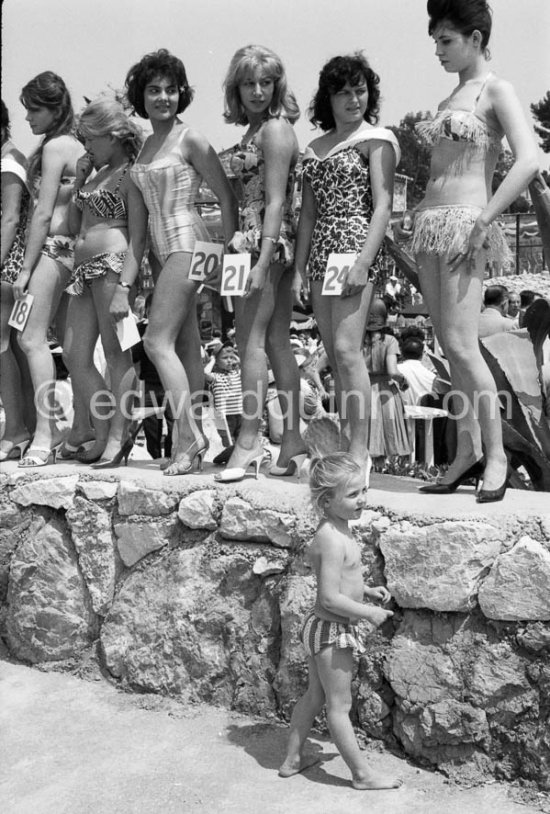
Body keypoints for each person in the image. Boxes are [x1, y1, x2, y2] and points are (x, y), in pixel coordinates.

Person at [396, 0, 538, 502]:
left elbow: (529, 160)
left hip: (465, 223)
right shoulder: (453, 94)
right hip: (432, 224)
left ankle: (497, 455)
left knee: (461, 345)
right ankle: (467, 451)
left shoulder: (496, 88)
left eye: (447, 40)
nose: (437, 50)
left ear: (476, 39)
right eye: (435, 40)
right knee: (448, 345)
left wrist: (485, 219)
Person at [109, 49, 238, 475]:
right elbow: (139, 233)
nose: (163, 97)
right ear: (141, 96)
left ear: (181, 94)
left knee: (154, 342)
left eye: (170, 89)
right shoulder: (144, 149)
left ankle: (187, 435)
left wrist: (233, 248)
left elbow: (225, 196)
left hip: (192, 241)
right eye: (154, 90)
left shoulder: (191, 139)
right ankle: (194, 436)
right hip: (164, 251)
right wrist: (127, 286)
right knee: (185, 345)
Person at [295, 53, 399, 475]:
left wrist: (364, 260)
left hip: (355, 244)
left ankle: (361, 451)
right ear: (329, 98)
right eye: (343, 92)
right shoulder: (314, 148)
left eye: (360, 90)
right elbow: (307, 215)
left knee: (346, 349)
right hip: (321, 250)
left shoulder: (377, 139)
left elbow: (384, 204)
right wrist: (299, 270)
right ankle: (343, 442)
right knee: (335, 358)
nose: (354, 99)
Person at [278, 452, 401, 791]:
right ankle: (362, 775)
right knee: (339, 706)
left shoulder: (339, 529)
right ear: (326, 499)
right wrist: (369, 613)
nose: (361, 499)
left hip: (322, 628)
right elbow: (329, 598)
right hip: (331, 632)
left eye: (364, 491)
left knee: (314, 697)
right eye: (352, 494)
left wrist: (365, 590)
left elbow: (343, 582)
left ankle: (292, 759)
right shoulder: (331, 539)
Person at [215, 44, 305, 482]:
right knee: (274, 341)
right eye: (248, 82)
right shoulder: (257, 131)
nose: (256, 90)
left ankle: (249, 441)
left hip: (264, 244)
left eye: (265, 82)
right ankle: (291, 441)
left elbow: (276, 201)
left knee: (250, 340)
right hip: (250, 244)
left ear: (276, 84)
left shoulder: (274, 130)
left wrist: (262, 258)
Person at [61, 97, 145, 467]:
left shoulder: (132, 174)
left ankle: (115, 435)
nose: (87, 148)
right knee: (74, 354)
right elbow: (73, 227)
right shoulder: (96, 175)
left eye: (91, 140)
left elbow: (138, 239)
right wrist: (79, 181)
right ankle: (109, 426)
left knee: (117, 355)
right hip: (83, 270)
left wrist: (126, 286)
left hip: (113, 266)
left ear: (112, 136)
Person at [13, 72, 85, 467]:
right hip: (73, 251)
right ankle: (80, 428)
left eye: (34, 110)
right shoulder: (72, 144)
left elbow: (42, 214)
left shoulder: (57, 147)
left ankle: (46, 431)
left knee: (30, 339)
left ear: (55, 109)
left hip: (54, 250)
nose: (28, 119)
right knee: (72, 348)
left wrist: (25, 268)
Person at [0, 100, 34, 461]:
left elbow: (10, 219)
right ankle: (23, 426)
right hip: (10, 266)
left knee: (2, 349)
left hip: (7, 266)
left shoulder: (9, 162)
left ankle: (15, 429)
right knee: (13, 351)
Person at [362, 299, 409, 469]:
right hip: (386, 394)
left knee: (364, 437)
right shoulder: (390, 341)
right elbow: (392, 371)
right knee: (384, 439)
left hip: (361, 389)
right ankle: (381, 472)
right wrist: (403, 381)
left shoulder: (357, 340)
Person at [204, 342, 243, 465]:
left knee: (241, 438)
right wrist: (212, 360)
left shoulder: (236, 374)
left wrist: (235, 356)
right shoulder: (215, 377)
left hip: (240, 413)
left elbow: (245, 365)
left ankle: (237, 458)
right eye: (225, 358)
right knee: (228, 440)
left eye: (231, 358)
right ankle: (230, 457)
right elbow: (205, 373)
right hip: (224, 415)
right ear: (216, 361)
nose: (229, 361)